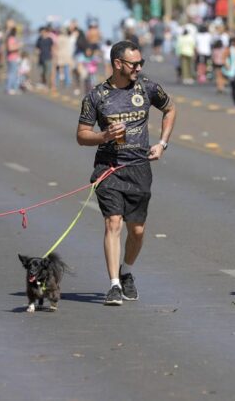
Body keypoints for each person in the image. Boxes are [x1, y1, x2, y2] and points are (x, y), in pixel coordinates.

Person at [77, 40, 177, 306]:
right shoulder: (96, 96)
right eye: (134, 64)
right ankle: (113, 285)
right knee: (113, 223)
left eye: (141, 63)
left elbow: (170, 109)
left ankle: (127, 271)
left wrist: (162, 143)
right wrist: (104, 135)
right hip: (108, 168)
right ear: (118, 64)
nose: (139, 68)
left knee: (138, 230)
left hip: (139, 168)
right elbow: (81, 135)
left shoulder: (148, 88)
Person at [4, 28, 21, 95]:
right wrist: (18, 46)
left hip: (14, 58)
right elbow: (10, 48)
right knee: (12, 74)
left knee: (14, 74)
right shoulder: (11, 39)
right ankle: (9, 88)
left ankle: (14, 88)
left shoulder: (11, 38)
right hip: (12, 58)